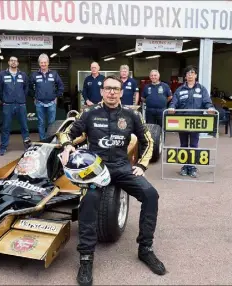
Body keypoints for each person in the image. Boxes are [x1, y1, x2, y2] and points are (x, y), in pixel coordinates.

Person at [58, 75, 166, 286]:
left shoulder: (131, 114)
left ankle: (145, 249)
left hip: (122, 167)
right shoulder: (89, 113)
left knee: (151, 195)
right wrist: (67, 145)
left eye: (116, 89)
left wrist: (142, 166)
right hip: (96, 170)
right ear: (102, 91)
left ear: (121, 91)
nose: (111, 92)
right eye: (108, 88)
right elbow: (67, 133)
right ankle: (86, 258)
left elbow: (147, 140)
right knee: (88, 203)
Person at [167, 65, 215, 178]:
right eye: (188, 73)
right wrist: (172, 107)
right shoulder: (179, 90)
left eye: (192, 73)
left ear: (196, 75)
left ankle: (192, 167)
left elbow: (207, 102)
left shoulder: (202, 89)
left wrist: (210, 108)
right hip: (182, 121)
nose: (190, 75)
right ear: (185, 76)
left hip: (196, 122)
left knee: (194, 144)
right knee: (183, 144)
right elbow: (174, 102)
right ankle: (184, 166)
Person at [0, 56, 31, 156]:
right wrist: (5, 99)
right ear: (8, 62)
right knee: (6, 127)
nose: (13, 62)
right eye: (11, 60)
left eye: (15, 61)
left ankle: (27, 146)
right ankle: (3, 147)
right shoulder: (2, 75)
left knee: (24, 126)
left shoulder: (23, 75)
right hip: (8, 105)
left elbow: (26, 88)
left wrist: (22, 98)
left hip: (21, 105)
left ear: (18, 63)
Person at [29, 53, 64, 141]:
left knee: (51, 123)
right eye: (41, 63)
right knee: (41, 123)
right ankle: (43, 140)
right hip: (39, 103)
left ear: (48, 63)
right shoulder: (34, 75)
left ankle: (50, 140)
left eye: (45, 62)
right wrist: (34, 96)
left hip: (51, 103)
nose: (43, 64)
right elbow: (29, 87)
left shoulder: (54, 74)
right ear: (39, 63)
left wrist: (56, 96)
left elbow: (61, 86)